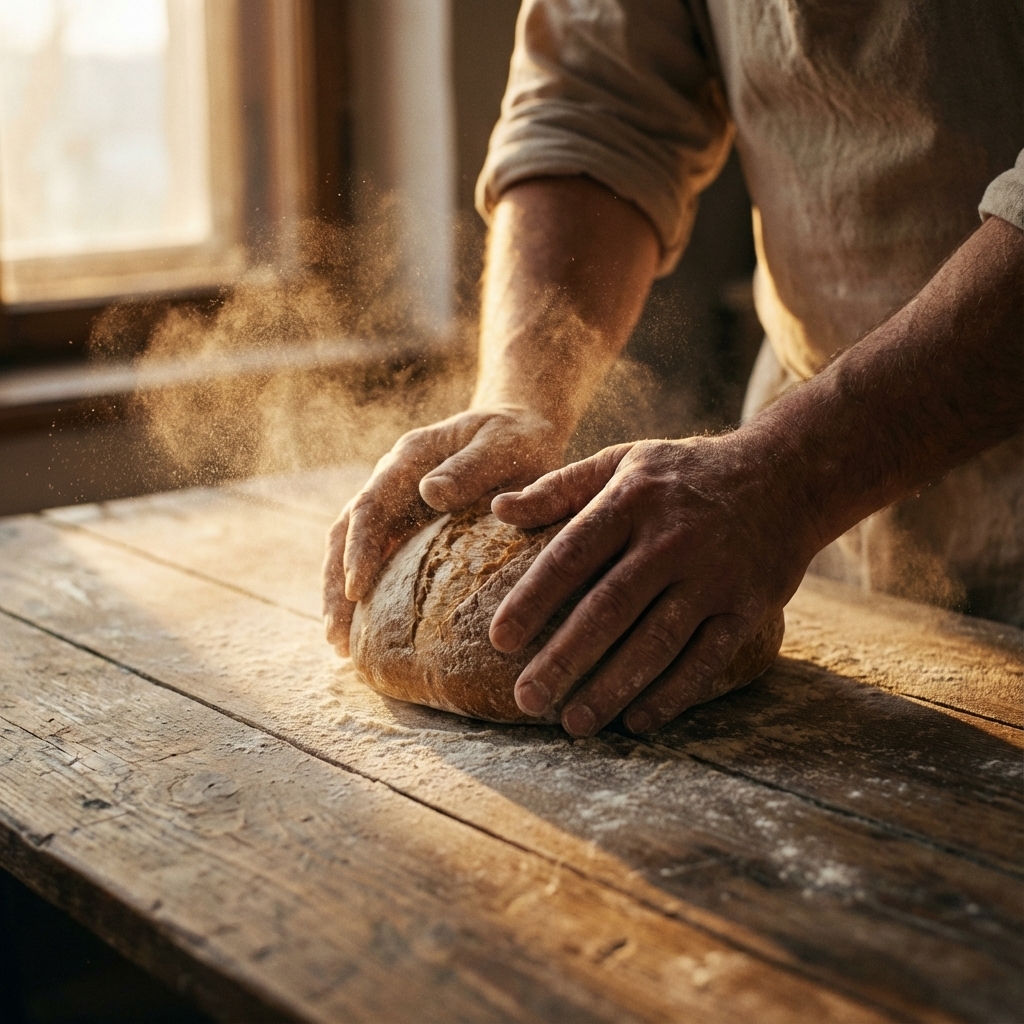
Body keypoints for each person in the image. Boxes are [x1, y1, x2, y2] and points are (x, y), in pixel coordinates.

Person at [323, 0, 1023, 738]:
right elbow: (596, 104)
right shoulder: (756, 522)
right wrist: (519, 400)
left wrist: (796, 471)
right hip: (805, 510)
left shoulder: (782, 487)